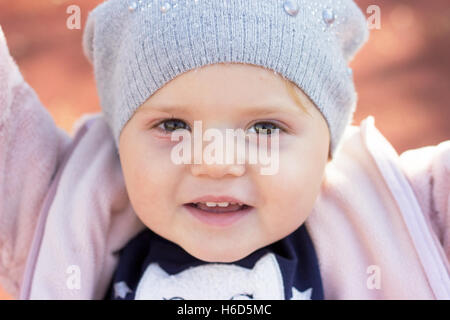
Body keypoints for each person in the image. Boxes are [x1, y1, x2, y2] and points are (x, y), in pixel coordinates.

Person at [0, 0, 449, 300]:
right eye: (172, 125)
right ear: (121, 140)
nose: (215, 162)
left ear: (327, 147)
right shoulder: (57, 211)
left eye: (265, 127)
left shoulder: (415, 211)